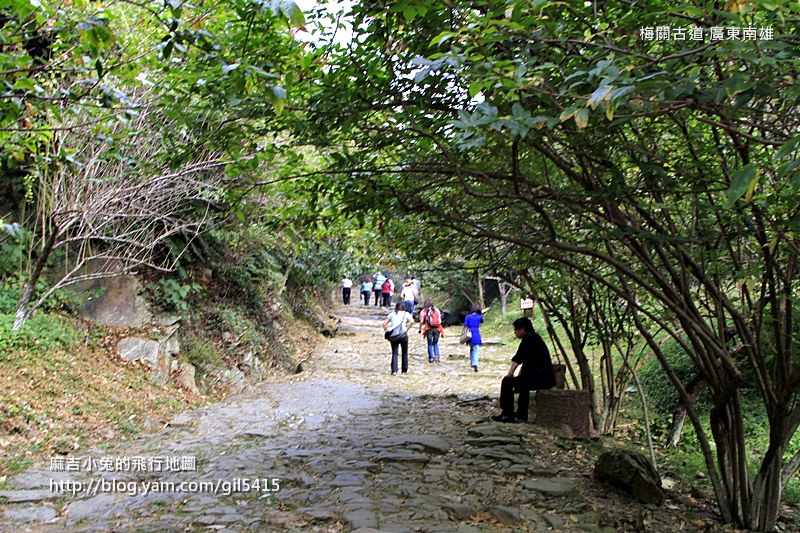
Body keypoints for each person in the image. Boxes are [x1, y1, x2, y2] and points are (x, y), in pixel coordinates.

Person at [492, 317, 556, 423]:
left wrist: (510, 374)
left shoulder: (529, 337)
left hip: (541, 379)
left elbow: (519, 357)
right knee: (522, 383)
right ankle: (522, 413)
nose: (515, 332)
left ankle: (507, 413)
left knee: (507, 382)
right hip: (544, 377)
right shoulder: (534, 338)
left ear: (522, 329)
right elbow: (526, 361)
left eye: (515, 330)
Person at [382, 301, 414, 375]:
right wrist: (407, 329)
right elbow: (412, 321)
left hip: (394, 335)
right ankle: (404, 370)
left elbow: (384, 324)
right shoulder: (406, 314)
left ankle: (394, 370)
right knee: (405, 352)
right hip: (403, 334)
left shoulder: (392, 314)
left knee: (395, 353)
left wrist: (387, 330)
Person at [463, 304, 484, 372]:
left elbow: (465, 325)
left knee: (472, 349)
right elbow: (482, 321)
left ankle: (472, 362)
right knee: (476, 349)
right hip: (476, 333)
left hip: (469, 334)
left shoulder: (468, 316)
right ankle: (475, 363)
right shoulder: (479, 317)